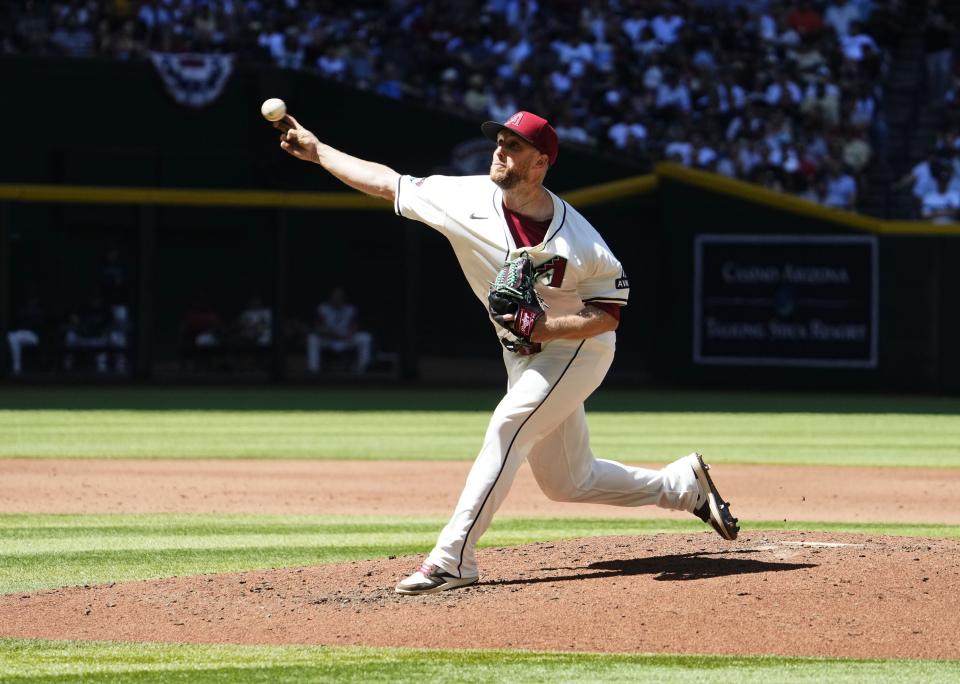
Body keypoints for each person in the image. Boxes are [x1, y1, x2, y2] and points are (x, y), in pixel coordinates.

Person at [272, 108, 740, 595]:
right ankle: (682, 486)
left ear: (540, 162)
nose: (500, 149)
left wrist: (547, 327)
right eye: (500, 140)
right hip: (522, 354)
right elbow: (388, 183)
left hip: (578, 349)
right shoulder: (463, 197)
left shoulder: (580, 241)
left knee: (508, 424)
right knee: (568, 482)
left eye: (514, 145)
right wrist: (319, 151)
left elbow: (608, 313)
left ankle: (453, 558)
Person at [306, 287, 373, 375]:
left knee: (366, 337)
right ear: (330, 298)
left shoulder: (350, 309)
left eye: (340, 297)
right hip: (329, 339)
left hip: (346, 339)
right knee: (312, 338)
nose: (337, 299)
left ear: (344, 298)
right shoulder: (322, 308)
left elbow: (355, 326)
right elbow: (318, 328)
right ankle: (313, 370)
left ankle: (362, 369)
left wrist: (349, 335)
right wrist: (331, 334)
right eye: (335, 297)